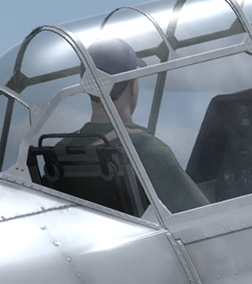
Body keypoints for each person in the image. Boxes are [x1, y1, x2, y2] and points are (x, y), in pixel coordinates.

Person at [74, 38, 209, 213]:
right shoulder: (146, 149)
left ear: (87, 87)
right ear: (132, 84)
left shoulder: (62, 149)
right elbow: (205, 216)